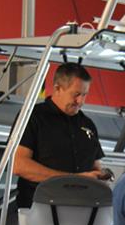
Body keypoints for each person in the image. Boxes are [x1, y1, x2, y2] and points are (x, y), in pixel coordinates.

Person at [13, 62, 109, 209]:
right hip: (40, 208)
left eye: (84, 95)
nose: (80, 101)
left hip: (82, 209)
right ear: (57, 88)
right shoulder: (33, 117)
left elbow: (95, 167)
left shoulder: (88, 124)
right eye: (76, 94)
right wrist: (72, 180)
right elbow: (18, 164)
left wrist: (100, 176)